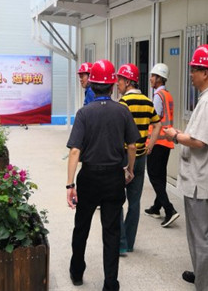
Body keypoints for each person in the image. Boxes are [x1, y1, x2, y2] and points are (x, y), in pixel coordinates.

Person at [66, 59, 140, 289]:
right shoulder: (122, 111)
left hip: (88, 177)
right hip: (113, 178)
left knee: (82, 227)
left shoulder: (84, 113)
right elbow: (132, 146)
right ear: (112, 85)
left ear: (92, 83)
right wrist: (130, 169)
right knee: (111, 231)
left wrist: (70, 185)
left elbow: (75, 150)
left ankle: (77, 272)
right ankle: (110, 283)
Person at [163, 44, 208, 291]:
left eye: (194, 70)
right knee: (200, 233)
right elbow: (200, 135)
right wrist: (183, 134)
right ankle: (201, 274)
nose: (190, 75)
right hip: (205, 177)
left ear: (206, 72)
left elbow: (200, 141)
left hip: (201, 179)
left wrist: (175, 136)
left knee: (201, 236)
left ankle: (205, 285)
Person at [116, 63, 162, 255]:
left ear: (128, 81)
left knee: (117, 200)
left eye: (119, 80)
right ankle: (129, 243)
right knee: (134, 202)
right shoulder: (148, 102)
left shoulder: (123, 103)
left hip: (124, 158)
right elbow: (158, 124)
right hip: (141, 157)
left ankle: (120, 244)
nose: (117, 83)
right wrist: (151, 144)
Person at [144, 63, 180, 227]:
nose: (150, 78)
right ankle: (156, 207)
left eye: (153, 76)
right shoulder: (168, 95)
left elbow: (155, 119)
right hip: (167, 142)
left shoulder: (158, 96)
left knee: (153, 175)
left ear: (159, 78)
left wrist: (149, 144)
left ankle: (169, 209)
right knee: (161, 176)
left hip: (157, 142)